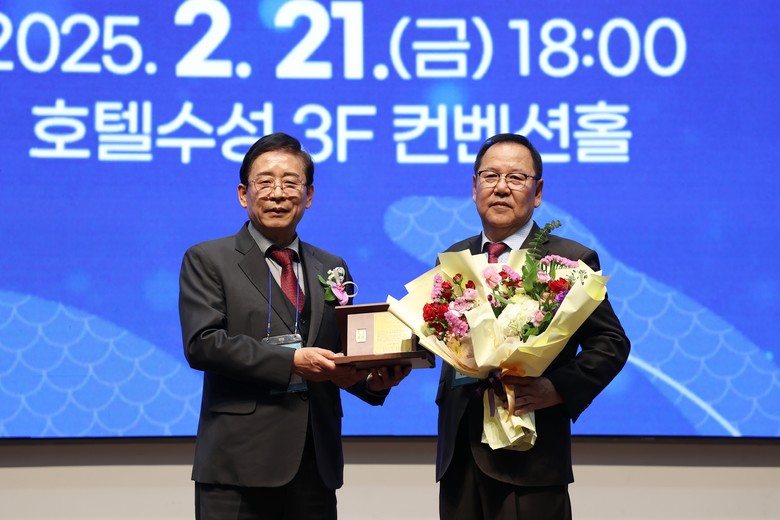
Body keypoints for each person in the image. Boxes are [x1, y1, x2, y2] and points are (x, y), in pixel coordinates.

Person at [179, 132, 409, 520]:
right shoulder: (208, 259)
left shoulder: (331, 266)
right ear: (243, 194)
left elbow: (341, 354)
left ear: (309, 195)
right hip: (238, 465)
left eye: (290, 183)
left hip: (314, 463)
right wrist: (291, 362)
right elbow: (203, 343)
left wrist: (371, 381)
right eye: (265, 182)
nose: (278, 194)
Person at [435, 133, 631, 520]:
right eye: (490, 176)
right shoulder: (454, 257)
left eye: (516, 178)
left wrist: (556, 388)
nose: (501, 187)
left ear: (537, 192)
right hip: (459, 458)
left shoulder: (568, 260)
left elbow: (611, 343)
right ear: (474, 187)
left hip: (530, 461)